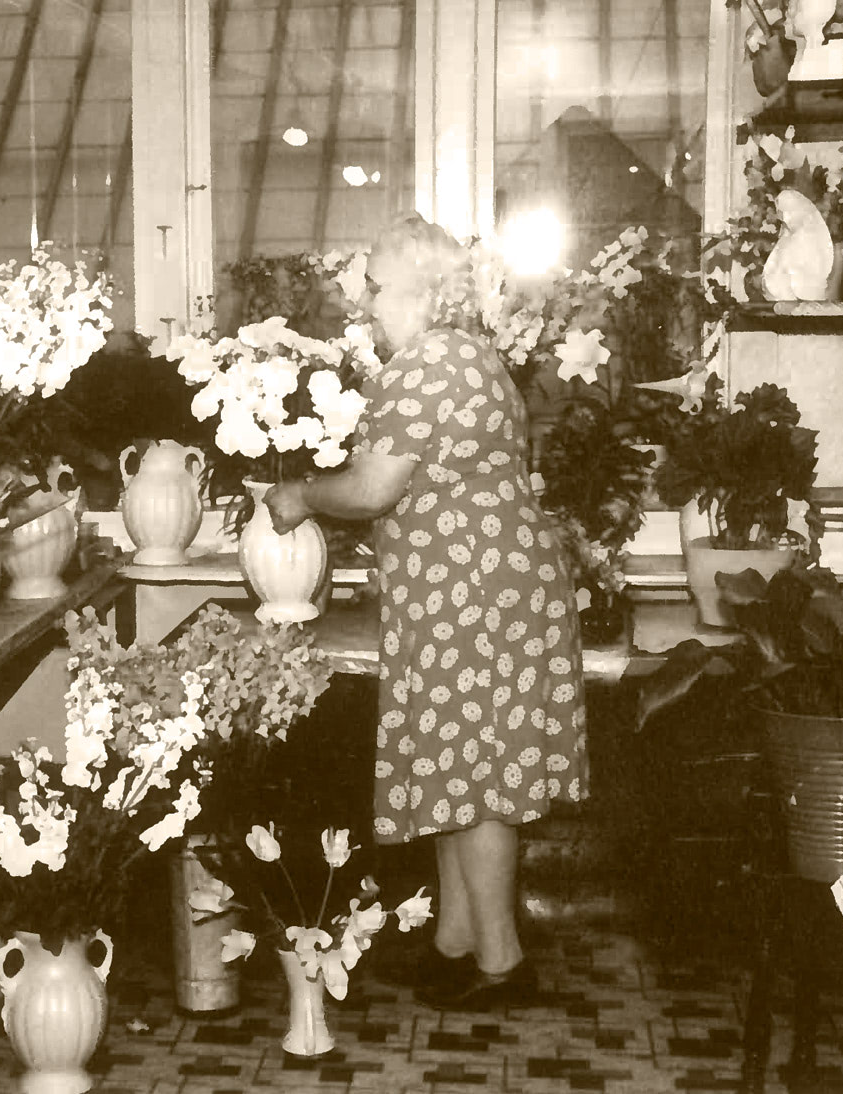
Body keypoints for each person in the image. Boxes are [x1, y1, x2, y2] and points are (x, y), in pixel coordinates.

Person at [265, 213, 587, 1010]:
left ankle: (503, 964)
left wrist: (299, 495)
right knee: (463, 772)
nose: (365, 300)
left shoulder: (421, 369)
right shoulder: (471, 358)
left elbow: (373, 489)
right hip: (486, 595)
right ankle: (456, 940)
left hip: (472, 600)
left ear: (417, 287)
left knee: (474, 781)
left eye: (375, 284)